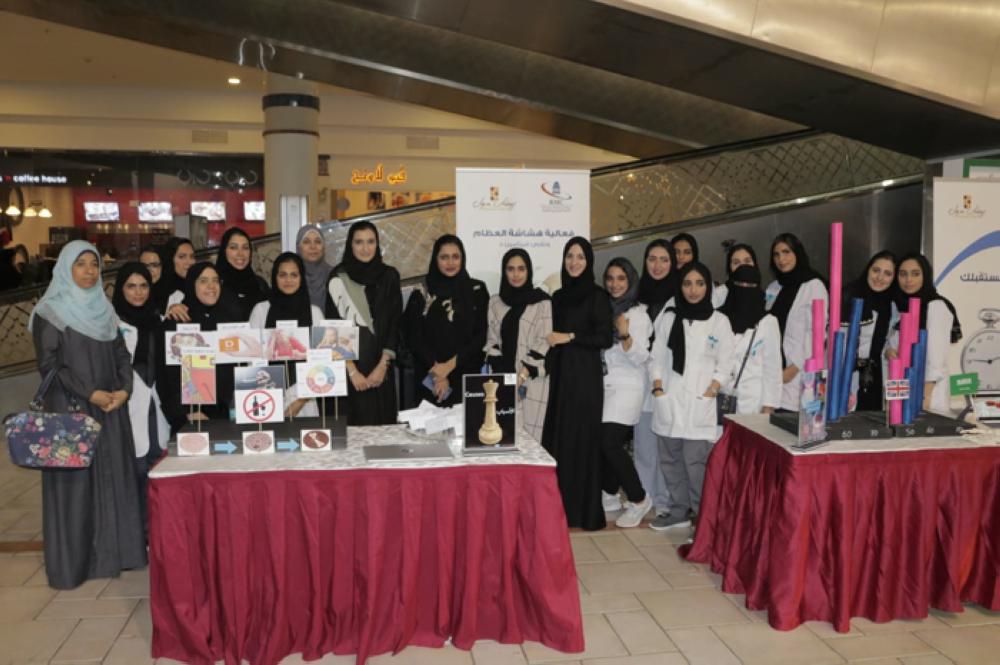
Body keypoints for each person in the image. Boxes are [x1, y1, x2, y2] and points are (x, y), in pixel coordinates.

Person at [28, 241, 146, 589]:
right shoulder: (50, 312)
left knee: (115, 479)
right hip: (70, 409)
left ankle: (119, 555)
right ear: (65, 267)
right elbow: (50, 365)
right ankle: (78, 564)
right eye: (80, 264)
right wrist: (89, 392)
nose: (89, 271)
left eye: (93, 264)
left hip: (110, 407)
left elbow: (122, 355)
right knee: (75, 486)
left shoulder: (105, 310)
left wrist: (123, 390)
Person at [649, 262, 735, 530]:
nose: (693, 290)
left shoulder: (719, 321)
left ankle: (704, 519)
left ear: (708, 286)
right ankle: (679, 511)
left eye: (699, 283)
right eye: (687, 284)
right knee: (671, 459)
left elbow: (726, 363)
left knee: (696, 463)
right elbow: (657, 357)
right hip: (670, 399)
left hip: (700, 403)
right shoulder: (669, 317)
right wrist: (659, 390)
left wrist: (711, 390)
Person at [542, 237, 612, 531]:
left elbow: (605, 338)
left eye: (580, 257)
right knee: (560, 441)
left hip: (585, 380)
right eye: (569, 256)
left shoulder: (597, 295)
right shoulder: (557, 296)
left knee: (583, 443)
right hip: (560, 379)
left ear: (589, 261)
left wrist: (570, 336)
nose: (574, 262)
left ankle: (584, 513)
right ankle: (560, 512)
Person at [111, 262, 170, 535]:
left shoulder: (159, 321)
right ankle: (136, 536)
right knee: (132, 470)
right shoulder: (110, 326)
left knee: (157, 466)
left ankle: (156, 534)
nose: (138, 293)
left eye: (143, 286)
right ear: (121, 289)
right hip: (125, 408)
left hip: (156, 407)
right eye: (131, 286)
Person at [325, 221, 402, 425]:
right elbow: (333, 327)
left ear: (377, 244)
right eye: (359, 242)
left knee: (383, 433)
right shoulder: (337, 277)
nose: (365, 248)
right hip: (349, 373)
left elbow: (396, 322)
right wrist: (352, 371)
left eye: (370, 241)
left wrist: (382, 366)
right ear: (350, 245)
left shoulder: (390, 276)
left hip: (381, 371)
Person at [403, 235, 488, 407]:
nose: (450, 262)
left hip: (466, 376)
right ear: (436, 259)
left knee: (466, 431)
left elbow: (482, 334)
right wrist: (438, 373)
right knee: (427, 432)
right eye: (444, 257)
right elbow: (413, 336)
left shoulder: (476, 290)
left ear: (463, 259)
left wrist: (449, 366)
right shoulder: (421, 291)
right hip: (429, 376)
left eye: (455, 257)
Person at [600, 258, 653, 528]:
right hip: (606, 386)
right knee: (606, 444)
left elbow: (641, 356)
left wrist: (624, 335)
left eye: (621, 278)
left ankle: (639, 498)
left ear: (631, 280)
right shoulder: (605, 309)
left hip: (629, 387)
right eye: (610, 278)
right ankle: (609, 495)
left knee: (609, 442)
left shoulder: (639, 315)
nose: (615, 284)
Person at [159, 262, 239, 432]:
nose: (211, 286)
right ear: (191, 284)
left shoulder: (228, 320)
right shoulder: (177, 321)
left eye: (215, 280)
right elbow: (165, 377)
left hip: (224, 416)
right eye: (203, 281)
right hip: (190, 416)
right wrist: (184, 414)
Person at [484, 248, 552, 442]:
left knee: (531, 440)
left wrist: (522, 375)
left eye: (521, 269)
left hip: (532, 381)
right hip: (502, 381)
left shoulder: (542, 302)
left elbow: (544, 340)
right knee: (502, 438)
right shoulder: (495, 302)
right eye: (510, 269)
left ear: (529, 271)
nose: (516, 274)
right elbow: (492, 339)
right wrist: (503, 374)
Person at [249, 252, 324, 417]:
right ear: (275, 277)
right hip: (266, 399)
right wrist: (269, 400)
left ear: (301, 278)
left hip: (305, 399)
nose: (288, 280)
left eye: (294, 275)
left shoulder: (315, 313)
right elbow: (253, 360)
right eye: (282, 275)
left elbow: (321, 363)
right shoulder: (261, 311)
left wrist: (298, 402)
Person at [634, 239, 678, 525]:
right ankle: (645, 496)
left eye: (663, 259)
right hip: (638, 381)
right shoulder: (638, 296)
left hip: (667, 382)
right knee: (643, 443)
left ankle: (667, 500)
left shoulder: (680, 298)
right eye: (652, 259)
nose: (657, 265)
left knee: (667, 445)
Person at [888, 254, 961, 414]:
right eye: (903, 274)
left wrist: (925, 396)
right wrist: (889, 351)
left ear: (925, 276)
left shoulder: (936, 306)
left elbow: (936, 358)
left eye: (915, 274)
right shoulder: (900, 305)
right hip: (903, 390)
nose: (908, 280)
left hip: (927, 396)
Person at [764, 233, 828, 411]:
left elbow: (817, 333)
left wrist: (794, 367)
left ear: (797, 253)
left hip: (801, 373)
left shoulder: (813, 285)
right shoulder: (773, 288)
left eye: (786, 252)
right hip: (775, 372)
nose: (781, 259)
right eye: (776, 254)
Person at [717, 264, 782, 414]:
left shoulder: (768, 322)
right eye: (739, 284)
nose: (744, 289)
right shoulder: (719, 318)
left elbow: (772, 369)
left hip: (753, 404)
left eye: (750, 285)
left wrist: (769, 406)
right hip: (718, 399)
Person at [841, 251, 897, 411]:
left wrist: (889, 350)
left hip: (875, 376)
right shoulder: (848, 296)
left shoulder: (892, 304)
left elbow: (886, 339)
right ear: (868, 270)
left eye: (887, 273)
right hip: (845, 374)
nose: (880, 277)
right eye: (876, 270)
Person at [215, 227, 268, 320]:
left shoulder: (260, 285)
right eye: (233, 247)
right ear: (224, 251)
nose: (240, 253)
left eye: (245, 248)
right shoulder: (214, 284)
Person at [296, 224, 334, 309]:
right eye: (306, 242)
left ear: (323, 247)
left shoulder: (334, 275)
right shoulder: (291, 276)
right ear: (298, 247)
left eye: (317, 242)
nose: (313, 247)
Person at [158, 237, 196, 315]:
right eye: (182, 257)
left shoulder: (198, 287)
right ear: (170, 259)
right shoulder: (160, 291)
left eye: (192, 256)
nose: (189, 262)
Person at [712, 243, 758, 307]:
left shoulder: (764, 294)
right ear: (730, 267)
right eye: (736, 263)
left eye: (747, 261)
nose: (742, 266)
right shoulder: (718, 294)